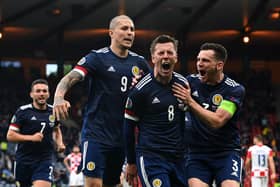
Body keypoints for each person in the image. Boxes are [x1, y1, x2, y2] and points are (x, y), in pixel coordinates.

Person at [52, 15, 151, 187]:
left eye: (132, 29)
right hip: (96, 133)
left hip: (123, 137)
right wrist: (59, 97)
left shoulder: (140, 63)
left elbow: (153, 92)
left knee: (113, 184)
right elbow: (69, 79)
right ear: (111, 32)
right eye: (124, 28)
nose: (129, 33)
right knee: (93, 184)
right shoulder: (97, 58)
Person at [172, 42, 246, 187]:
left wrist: (190, 101)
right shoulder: (189, 82)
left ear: (219, 65)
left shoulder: (234, 89)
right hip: (196, 154)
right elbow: (161, 85)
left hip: (226, 152)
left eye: (205, 61)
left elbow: (217, 121)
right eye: (198, 59)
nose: (199, 64)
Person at [124, 34, 188, 187]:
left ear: (176, 57)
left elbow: (184, 121)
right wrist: (131, 162)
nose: (165, 56)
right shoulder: (140, 90)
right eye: (161, 53)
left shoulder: (183, 84)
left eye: (169, 53)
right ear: (153, 58)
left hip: (178, 158)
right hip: (151, 157)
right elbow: (128, 128)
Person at [6, 79, 65, 187]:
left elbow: (57, 129)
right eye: (38, 91)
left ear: (48, 94)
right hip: (23, 161)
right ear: (31, 94)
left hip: (44, 160)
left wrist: (60, 143)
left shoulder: (53, 111)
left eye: (44, 91)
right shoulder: (22, 112)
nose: (41, 94)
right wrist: (31, 138)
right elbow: (10, 136)